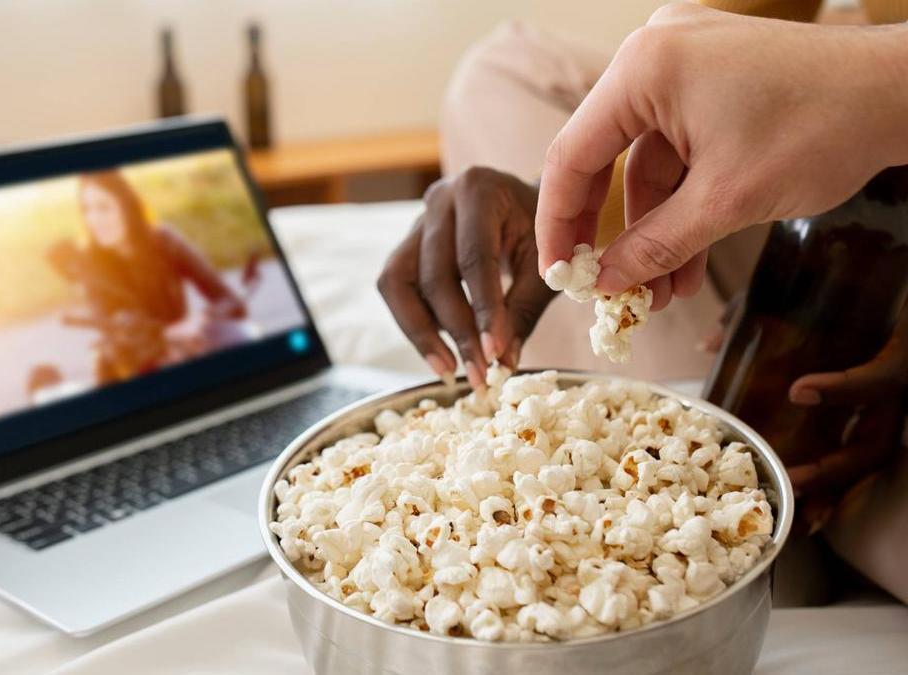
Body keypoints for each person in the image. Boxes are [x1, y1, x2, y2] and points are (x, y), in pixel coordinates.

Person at [380, 2, 908, 603]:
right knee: (502, 70)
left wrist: (871, 79)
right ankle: (671, 461)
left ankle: (716, 501)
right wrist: (553, 198)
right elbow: (743, 43)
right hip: (839, 152)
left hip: (876, 124)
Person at [46, 170, 251, 384]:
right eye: (86, 210)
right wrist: (168, 336)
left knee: (235, 335)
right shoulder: (89, 266)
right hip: (132, 369)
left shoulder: (165, 241)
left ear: (127, 208)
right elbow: (122, 344)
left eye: (104, 208)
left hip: (184, 346)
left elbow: (232, 302)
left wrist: (200, 320)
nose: (93, 220)